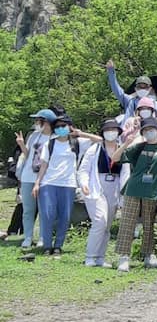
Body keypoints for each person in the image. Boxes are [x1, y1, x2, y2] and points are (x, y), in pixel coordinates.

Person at [33, 115, 97, 255]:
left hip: (68, 184)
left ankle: (58, 246)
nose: (60, 129)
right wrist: (37, 183)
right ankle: (47, 245)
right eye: (57, 127)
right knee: (48, 214)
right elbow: (43, 165)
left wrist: (80, 133)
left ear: (69, 126)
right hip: (49, 183)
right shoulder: (49, 144)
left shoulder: (77, 142)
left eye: (63, 126)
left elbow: (100, 140)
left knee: (65, 216)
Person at [115, 118, 157, 272]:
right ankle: (124, 257)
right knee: (127, 223)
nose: (149, 132)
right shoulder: (138, 147)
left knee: (149, 224)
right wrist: (126, 143)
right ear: (142, 132)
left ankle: (148, 254)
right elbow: (115, 158)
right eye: (146, 130)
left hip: (152, 191)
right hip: (133, 189)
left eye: (152, 129)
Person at [77, 119, 130, 267]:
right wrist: (84, 184)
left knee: (107, 225)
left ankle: (100, 257)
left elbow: (125, 173)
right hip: (96, 186)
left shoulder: (122, 150)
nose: (111, 133)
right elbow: (83, 170)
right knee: (100, 221)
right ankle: (90, 256)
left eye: (114, 130)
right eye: (107, 130)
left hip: (114, 187)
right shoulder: (95, 149)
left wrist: (123, 194)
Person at [13, 108, 56, 249]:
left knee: (44, 210)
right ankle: (27, 237)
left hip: (45, 178)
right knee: (28, 209)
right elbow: (28, 153)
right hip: (28, 176)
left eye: (39, 120)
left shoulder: (55, 138)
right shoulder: (33, 136)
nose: (36, 123)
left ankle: (43, 238)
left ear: (47, 122)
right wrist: (21, 144)